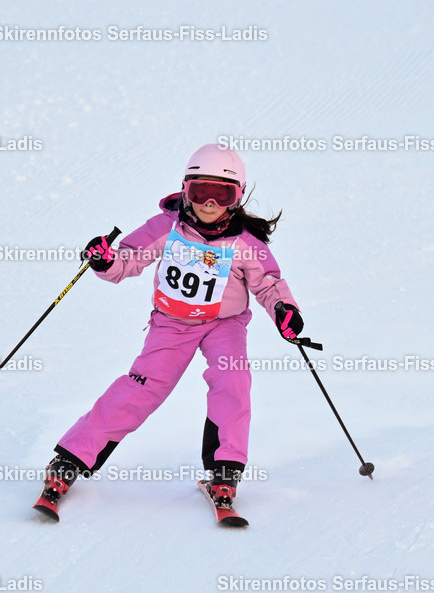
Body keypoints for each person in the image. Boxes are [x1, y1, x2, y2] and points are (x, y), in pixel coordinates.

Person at [33, 143, 305, 522]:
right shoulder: (167, 227)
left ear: (237, 197)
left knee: (233, 381)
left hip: (223, 326)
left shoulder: (246, 243)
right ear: (185, 190)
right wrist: (106, 260)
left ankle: (224, 471)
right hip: (171, 324)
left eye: (221, 194)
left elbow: (269, 284)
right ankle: (70, 460)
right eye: (200, 192)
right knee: (140, 389)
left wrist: (284, 311)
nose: (210, 202)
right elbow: (128, 259)